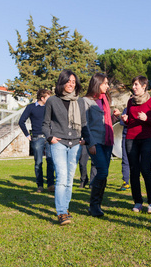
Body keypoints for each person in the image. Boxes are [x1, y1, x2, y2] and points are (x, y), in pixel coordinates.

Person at [42, 70, 90, 226]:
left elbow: (83, 124)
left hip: (76, 144)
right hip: (59, 143)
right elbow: (45, 124)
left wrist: (86, 140)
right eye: (68, 81)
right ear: (61, 82)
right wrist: (50, 138)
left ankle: (65, 208)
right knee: (62, 177)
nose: (71, 84)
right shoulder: (52, 101)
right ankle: (61, 212)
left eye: (74, 82)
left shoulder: (80, 102)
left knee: (69, 179)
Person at [121, 76, 151, 214]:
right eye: (133, 84)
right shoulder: (130, 102)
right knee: (134, 171)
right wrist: (125, 120)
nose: (134, 87)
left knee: (145, 169)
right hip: (130, 139)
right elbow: (131, 122)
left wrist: (147, 119)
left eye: (136, 84)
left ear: (144, 86)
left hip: (146, 139)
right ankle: (137, 202)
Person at [84, 73, 120, 217]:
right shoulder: (85, 101)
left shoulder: (105, 99)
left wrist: (113, 117)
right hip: (96, 142)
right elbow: (85, 124)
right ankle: (93, 205)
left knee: (103, 175)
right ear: (97, 83)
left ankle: (97, 205)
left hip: (107, 141)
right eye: (105, 83)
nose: (108, 86)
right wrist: (90, 143)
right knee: (103, 172)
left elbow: (103, 122)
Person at [18, 89, 55, 193]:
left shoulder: (50, 107)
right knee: (38, 162)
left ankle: (51, 185)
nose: (50, 100)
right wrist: (27, 134)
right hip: (36, 138)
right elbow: (21, 121)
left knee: (51, 161)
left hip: (49, 138)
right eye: (48, 98)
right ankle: (40, 186)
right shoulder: (31, 107)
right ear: (42, 98)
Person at [119, 107, 130, 191]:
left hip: (138, 138)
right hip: (126, 137)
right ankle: (125, 182)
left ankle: (135, 181)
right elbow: (122, 123)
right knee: (125, 160)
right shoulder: (126, 110)